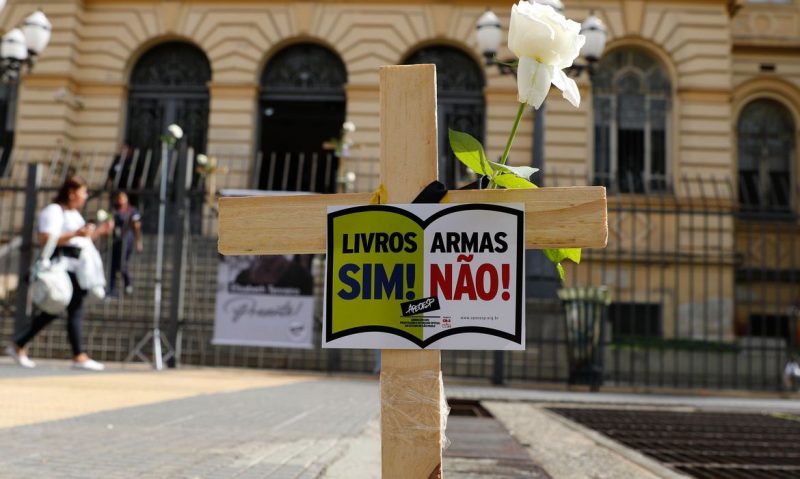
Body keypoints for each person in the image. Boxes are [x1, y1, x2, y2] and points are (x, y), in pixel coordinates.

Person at [5, 176, 112, 370]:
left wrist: (99, 232)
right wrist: (77, 234)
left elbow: (80, 241)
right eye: (83, 192)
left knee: (59, 310)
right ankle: (77, 356)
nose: (85, 197)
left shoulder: (74, 214)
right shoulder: (54, 211)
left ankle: (20, 345)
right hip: (61, 267)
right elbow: (46, 238)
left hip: (75, 268)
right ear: (71, 193)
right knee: (63, 308)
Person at [108, 191, 142, 297]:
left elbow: (137, 226)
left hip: (127, 240)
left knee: (122, 264)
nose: (120, 200)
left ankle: (127, 284)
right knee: (113, 265)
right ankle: (112, 289)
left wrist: (138, 241)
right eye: (118, 198)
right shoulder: (114, 210)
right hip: (115, 240)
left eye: (122, 197)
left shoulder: (132, 210)